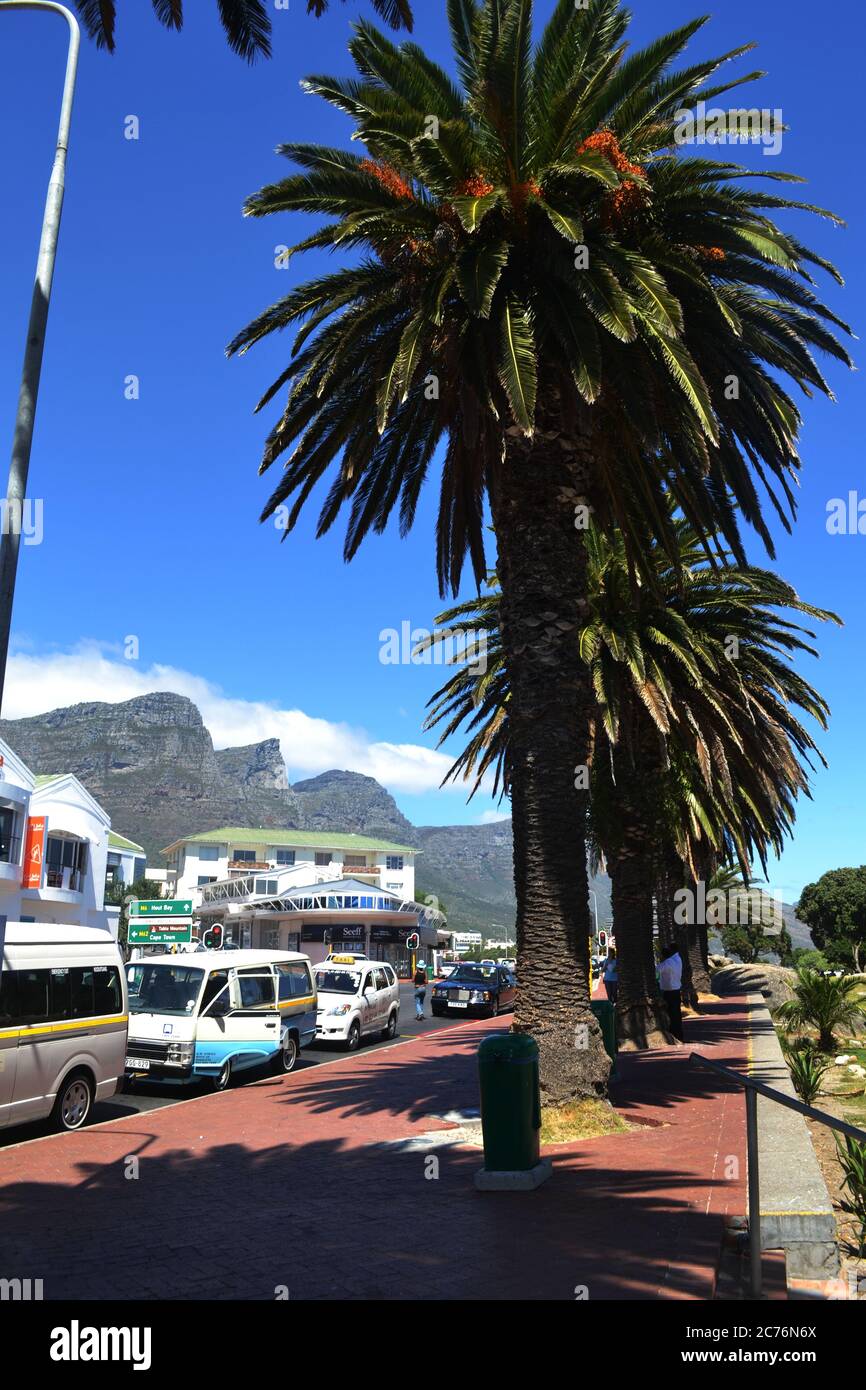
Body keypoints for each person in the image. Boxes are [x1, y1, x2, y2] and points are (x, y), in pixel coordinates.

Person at [658, 943, 684, 1041]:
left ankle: (674, 1034)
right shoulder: (678, 959)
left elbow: (657, 970)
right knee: (676, 1014)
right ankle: (679, 1034)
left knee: (671, 1014)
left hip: (669, 992)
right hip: (676, 990)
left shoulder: (668, 962)